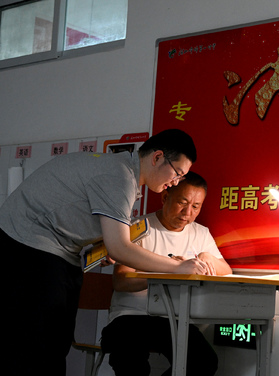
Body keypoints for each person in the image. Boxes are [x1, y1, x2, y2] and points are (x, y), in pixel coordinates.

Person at [0, 129, 204, 376]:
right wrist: (177, 267)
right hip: (27, 246)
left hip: (57, 253)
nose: (176, 182)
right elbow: (120, 247)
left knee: (54, 344)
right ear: (157, 157)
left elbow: (106, 239)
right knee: (37, 346)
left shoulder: (123, 175)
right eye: (178, 173)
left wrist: (104, 248)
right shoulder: (119, 175)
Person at [101, 172, 231, 376]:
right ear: (165, 198)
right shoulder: (138, 229)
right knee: (131, 362)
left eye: (196, 206)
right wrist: (171, 271)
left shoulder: (200, 233)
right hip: (131, 317)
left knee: (204, 361)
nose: (187, 212)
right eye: (182, 202)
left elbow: (226, 270)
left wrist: (208, 258)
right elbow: (121, 282)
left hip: (173, 320)